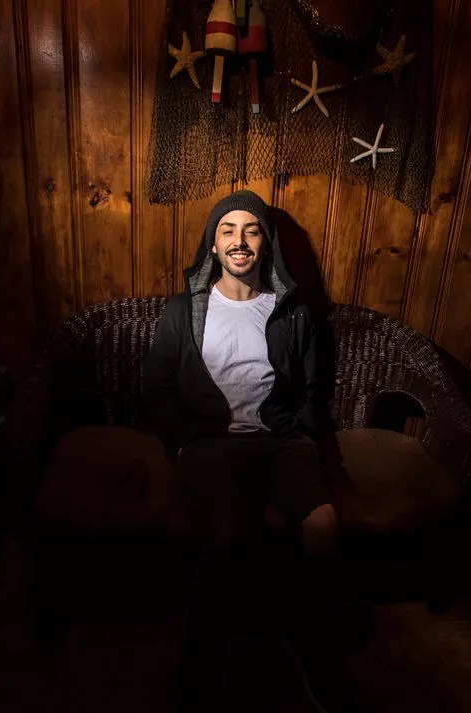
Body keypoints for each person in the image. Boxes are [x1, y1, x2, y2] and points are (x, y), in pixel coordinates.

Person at [142, 190, 355, 712]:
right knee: (228, 537)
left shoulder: (291, 311)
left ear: (265, 243)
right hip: (213, 444)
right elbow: (158, 389)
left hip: (280, 441)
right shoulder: (184, 311)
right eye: (228, 230)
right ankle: (201, 668)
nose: (240, 241)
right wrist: (182, 441)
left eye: (251, 230)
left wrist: (306, 437)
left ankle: (309, 641)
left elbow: (312, 389)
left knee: (323, 526)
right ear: (213, 245)